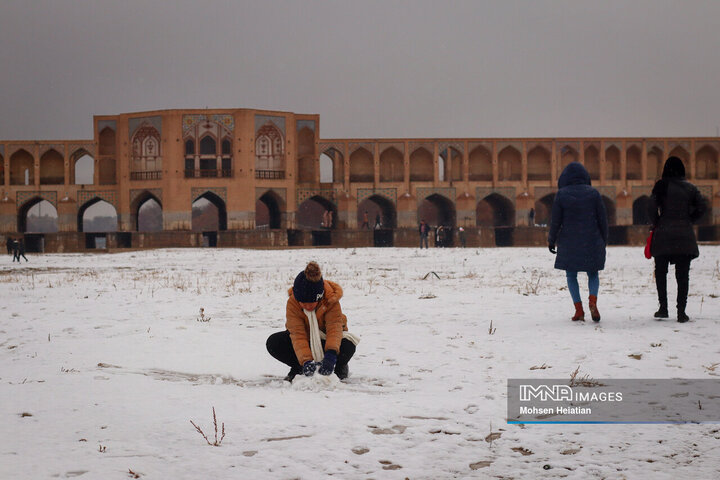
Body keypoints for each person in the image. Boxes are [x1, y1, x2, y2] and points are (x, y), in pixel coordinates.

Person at [266, 261, 359, 381]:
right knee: (274, 342)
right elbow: (298, 334)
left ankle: (339, 367)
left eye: (311, 303)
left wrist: (331, 354)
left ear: (319, 297)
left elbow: (334, 329)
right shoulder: (292, 303)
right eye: (303, 303)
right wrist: (306, 361)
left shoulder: (330, 300)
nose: (308, 307)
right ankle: (299, 367)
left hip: (326, 338)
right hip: (306, 338)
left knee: (348, 346)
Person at [648, 156, 706, 323]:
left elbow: (650, 206)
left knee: (661, 272)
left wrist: (656, 221)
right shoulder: (690, 188)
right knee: (682, 275)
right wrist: (689, 220)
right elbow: (702, 207)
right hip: (684, 235)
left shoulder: (661, 186)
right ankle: (681, 311)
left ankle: (663, 308)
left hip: (663, 234)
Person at [548, 162, 608, 322]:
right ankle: (593, 301)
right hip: (592, 240)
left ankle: (579, 310)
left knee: (571, 274)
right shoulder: (594, 194)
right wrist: (604, 240)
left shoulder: (561, 195)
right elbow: (603, 219)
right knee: (593, 273)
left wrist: (551, 240)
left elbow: (556, 221)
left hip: (569, 241)